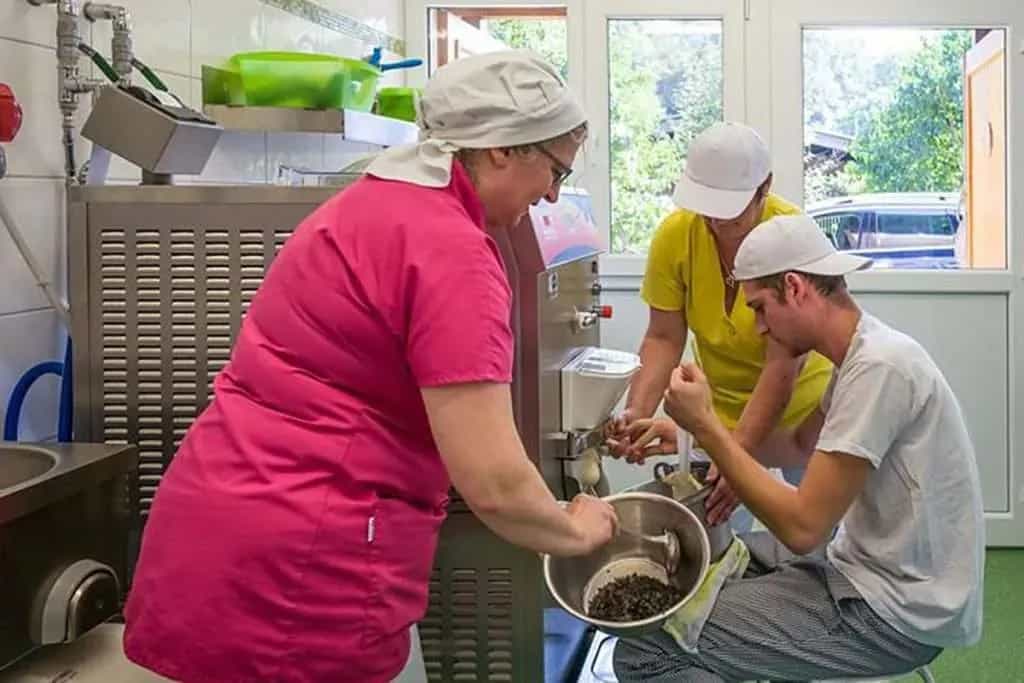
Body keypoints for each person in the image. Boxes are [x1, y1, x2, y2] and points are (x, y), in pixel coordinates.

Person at [122, 50, 617, 683]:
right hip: (303, 569)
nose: (552, 195)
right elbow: (493, 480)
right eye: (553, 170)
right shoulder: (451, 252)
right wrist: (574, 529)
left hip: (223, 529)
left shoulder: (370, 204)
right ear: (500, 150)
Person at [613, 214, 985, 682]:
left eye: (761, 308)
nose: (760, 328)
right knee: (694, 567)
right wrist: (685, 434)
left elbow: (803, 529)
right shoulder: (863, 355)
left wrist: (708, 427)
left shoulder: (881, 369)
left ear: (794, 287)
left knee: (646, 651)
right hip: (860, 564)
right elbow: (794, 446)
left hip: (891, 613)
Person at [608, 122, 832, 527]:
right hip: (719, 412)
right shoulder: (676, 237)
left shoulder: (791, 237)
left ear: (764, 188)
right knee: (720, 530)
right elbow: (663, 337)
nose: (713, 221)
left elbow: (781, 366)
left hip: (802, 411)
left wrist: (738, 454)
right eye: (705, 206)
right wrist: (635, 412)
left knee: (813, 533)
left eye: (727, 211)